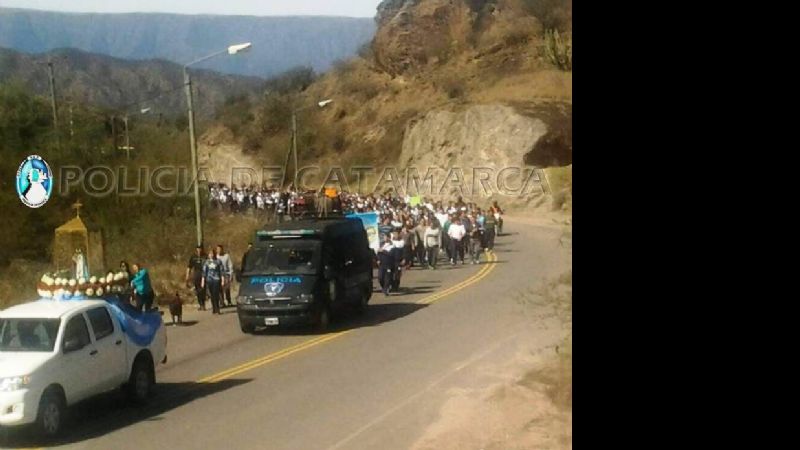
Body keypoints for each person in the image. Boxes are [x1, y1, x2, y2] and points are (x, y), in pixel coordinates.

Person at [202, 250, 225, 315]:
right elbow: (204, 272)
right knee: (212, 295)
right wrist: (203, 281)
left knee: (216, 294)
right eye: (210, 254)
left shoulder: (218, 261)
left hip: (216, 279)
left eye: (212, 254)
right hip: (209, 280)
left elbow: (222, 271)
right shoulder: (206, 262)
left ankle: (217, 308)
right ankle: (214, 308)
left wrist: (223, 280)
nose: (211, 255)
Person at [185, 246, 207, 311]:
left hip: (203, 275)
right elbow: (189, 267)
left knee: (203, 290)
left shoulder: (205, 256)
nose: (199, 250)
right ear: (196, 249)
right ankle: (200, 304)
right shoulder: (193, 257)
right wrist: (187, 276)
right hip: (196, 275)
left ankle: (203, 303)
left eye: (200, 249)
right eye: (198, 249)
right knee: (198, 290)